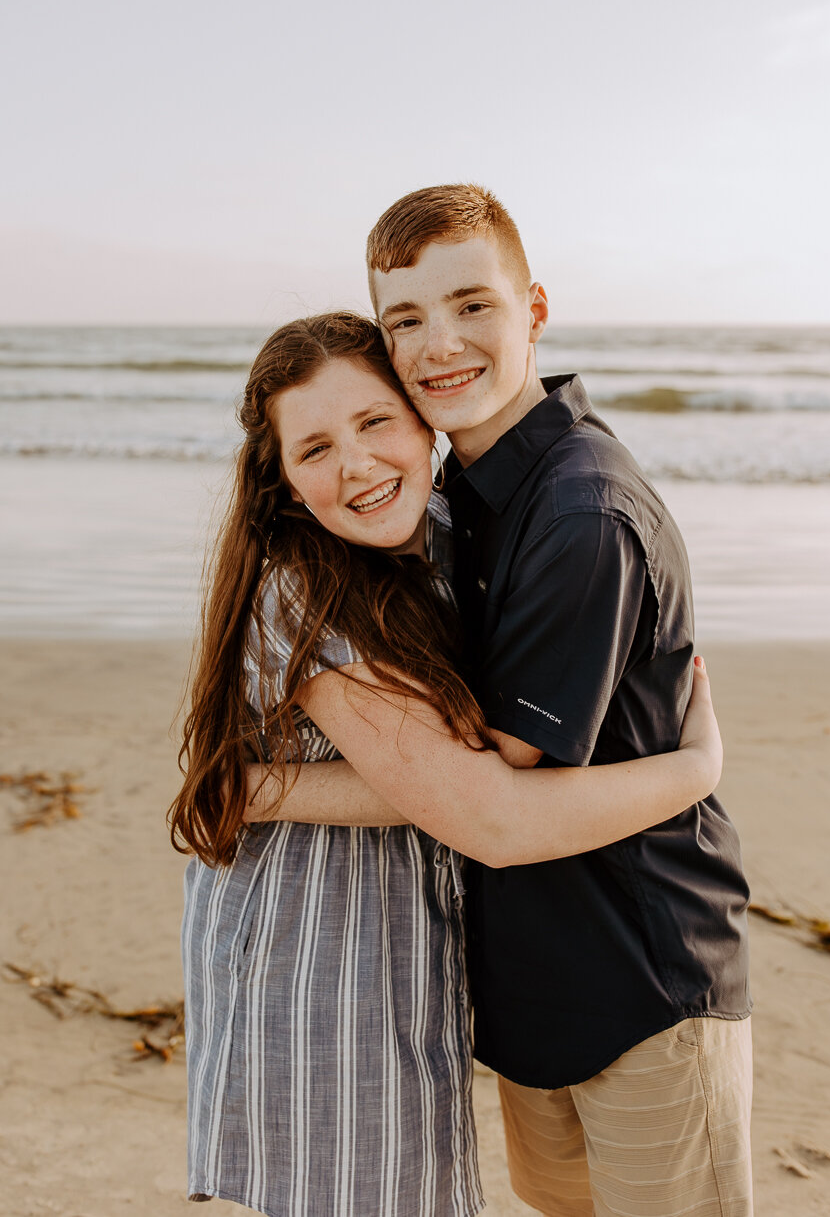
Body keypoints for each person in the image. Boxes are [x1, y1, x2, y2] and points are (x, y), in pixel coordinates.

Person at [170, 311, 724, 1217]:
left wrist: (270, 786)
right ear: (283, 483)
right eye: (313, 448)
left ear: (423, 414)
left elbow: (445, 772)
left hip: (406, 937)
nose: (354, 465)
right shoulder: (304, 587)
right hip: (313, 949)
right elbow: (481, 807)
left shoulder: (441, 525)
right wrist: (693, 768)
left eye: (374, 422)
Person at [271, 185, 754, 1217]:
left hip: (643, 981)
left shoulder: (581, 512)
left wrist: (263, 786)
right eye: (405, 319)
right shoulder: (458, 497)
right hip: (535, 990)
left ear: (533, 308)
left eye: (471, 305)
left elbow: (484, 801)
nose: (439, 343)